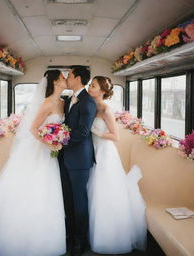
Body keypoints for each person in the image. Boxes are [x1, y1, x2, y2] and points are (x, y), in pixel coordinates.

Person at [0, 70, 67, 256]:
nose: (66, 79)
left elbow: (59, 126)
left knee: (48, 191)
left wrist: (59, 138)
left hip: (51, 153)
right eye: (63, 77)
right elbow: (34, 129)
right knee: (33, 189)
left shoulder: (63, 102)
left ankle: (45, 238)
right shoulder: (46, 103)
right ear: (56, 82)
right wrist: (51, 142)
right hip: (39, 150)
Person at [87, 76, 147, 254]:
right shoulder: (91, 106)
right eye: (90, 84)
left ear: (103, 91)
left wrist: (97, 131)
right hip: (93, 150)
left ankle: (111, 238)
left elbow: (116, 137)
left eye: (94, 86)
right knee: (94, 191)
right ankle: (95, 235)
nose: (90, 87)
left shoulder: (106, 109)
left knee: (105, 191)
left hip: (105, 151)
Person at [58, 66, 97, 256]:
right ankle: (70, 235)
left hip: (79, 159)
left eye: (70, 75)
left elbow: (82, 133)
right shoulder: (68, 99)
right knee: (68, 200)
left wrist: (60, 141)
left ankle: (80, 242)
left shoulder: (88, 102)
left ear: (79, 78)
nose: (67, 77)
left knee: (79, 201)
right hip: (64, 158)